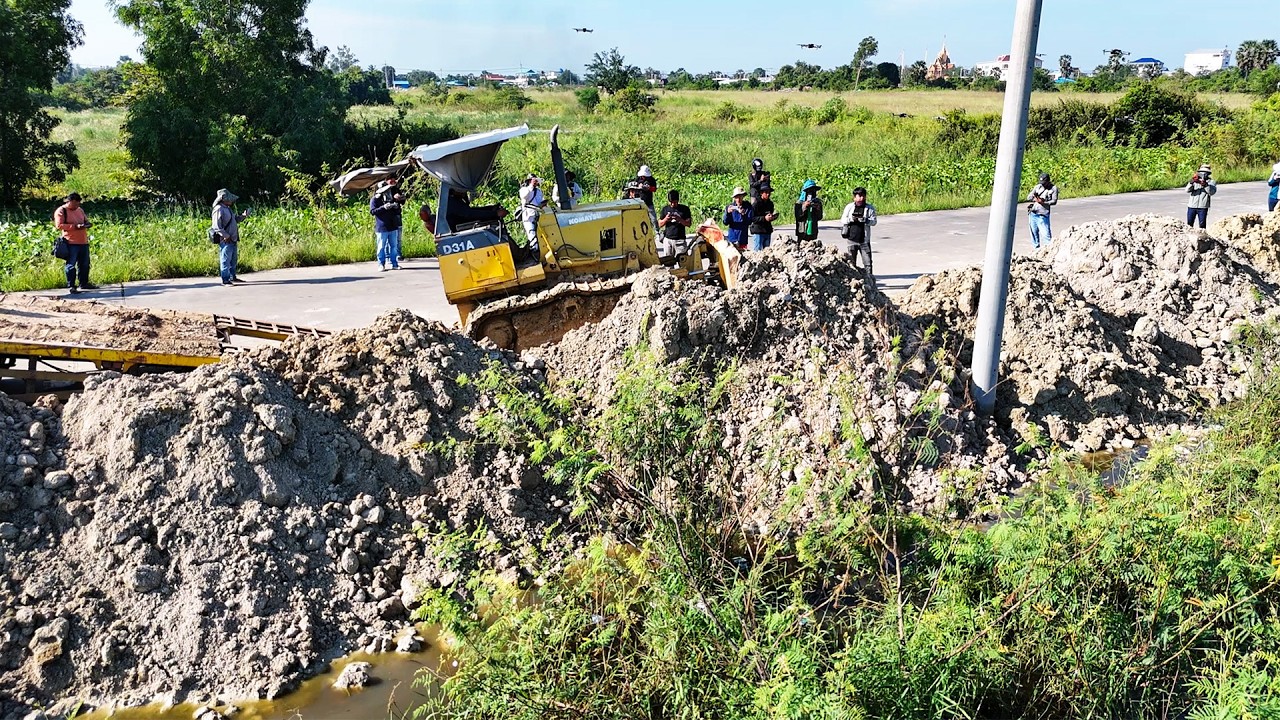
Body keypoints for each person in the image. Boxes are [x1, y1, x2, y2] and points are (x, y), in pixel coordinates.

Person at [53, 192, 96, 295]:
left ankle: (84, 283)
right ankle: (71, 285)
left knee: (85, 264)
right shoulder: (61, 211)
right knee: (71, 265)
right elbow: (59, 225)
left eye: (78, 204)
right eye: (75, 204)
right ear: (69, 201)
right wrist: (75, 226)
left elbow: (86, 220)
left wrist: (87, 224)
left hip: (83, 241)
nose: (77, 206)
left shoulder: (80, 210)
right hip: (70, 242)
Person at [211, 188, 250, 286]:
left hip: (232, 239)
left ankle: (233, 277)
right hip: (225, 240)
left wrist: (243, 216)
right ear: (223, 199)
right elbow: (216, 226)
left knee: (233, 259)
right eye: (229, 199)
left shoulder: (227, 208)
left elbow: (234, 219)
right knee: (225, 260)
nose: (232, 201)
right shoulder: (218, 209)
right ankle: (225, 280)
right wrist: (225, 235)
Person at [840, 187, 879, 276]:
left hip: (864, 240)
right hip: (851, 239)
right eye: (859, 196)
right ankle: (853, 281)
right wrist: (852, 219)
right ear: (854, 197)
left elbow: (874, 222)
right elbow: (843, 220)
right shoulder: (850, 207)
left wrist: (865, 220)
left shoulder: (869, 208)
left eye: (863, 196)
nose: (861, 198)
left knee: (868, 264)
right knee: (851, 264)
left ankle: (870, 281)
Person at [369, 177, 404, 271]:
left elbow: (398, 208)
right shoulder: (375, 199)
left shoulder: (391, 198)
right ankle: (381, 264)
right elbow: (372, 211)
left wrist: (396, 205)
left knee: (394, 246)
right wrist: (384, 207)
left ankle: (394, 263)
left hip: (393, 225)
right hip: (382, 227)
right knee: (381, 247)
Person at [656, 189, 692, 264]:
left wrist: (679, 219)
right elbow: (659, 224)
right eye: (671, 202)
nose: (673, 204)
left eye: (675, 202)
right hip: (668, 240)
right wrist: (666, 219)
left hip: (680, 240)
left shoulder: (684, 209)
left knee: (683, 262)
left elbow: (688, 224)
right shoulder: (665, 209)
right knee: (668, 263)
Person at [1026, 173, 1059, 249]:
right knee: (1034, 234)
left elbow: (1054, 201)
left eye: (1044, 183)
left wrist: (1043, 202)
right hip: (1033, 213)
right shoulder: (1038, 187)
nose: (1042, 185)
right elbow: (1028, 197)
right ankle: (1036, 250)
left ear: (1048, 181)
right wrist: (1035, 199)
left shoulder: (1053, 189)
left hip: (1043, 215)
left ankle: (1049, 250)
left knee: (1046, 236)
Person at [1185, 163, 1217, 229]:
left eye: (1205, 173)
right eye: (1202, 172)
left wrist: (1205, 185)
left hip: (1203, 207)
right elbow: (1187, 190)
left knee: (1202, 225)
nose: (1203, 174)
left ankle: (1202, 237)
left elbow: (1211, 192)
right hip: (1192, 205)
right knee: (1189, 224)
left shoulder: (1211, 182)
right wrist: (1191, 182)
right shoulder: (1195, 180)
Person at [518, 174, 545, 249]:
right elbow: (525, 196)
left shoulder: (539, 191)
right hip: (528, 216)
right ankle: (534, 250)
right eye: (534, 180)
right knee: (531, 234)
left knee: (541, 234)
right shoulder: (524, 190)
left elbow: (540, 202)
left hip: (538, 215)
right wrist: (531, 186)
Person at [748, 183, 778, 251]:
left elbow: (770, 214)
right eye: (766, 192)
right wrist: (764, 218)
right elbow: (752, 218)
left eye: (769, 192)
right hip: (758, 231)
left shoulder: (770, 204)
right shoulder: (756, 204)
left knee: (767, 252)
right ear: (761, 193)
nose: (768, 194)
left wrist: (772, 217)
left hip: (767, 230)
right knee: (757, 252)